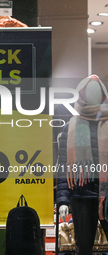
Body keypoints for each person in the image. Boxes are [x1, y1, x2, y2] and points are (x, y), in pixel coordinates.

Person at [56, 74, 108, 254]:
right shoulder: (71, 126)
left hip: (107, 194)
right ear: (82, 95)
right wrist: (62, 200)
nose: (93, 95)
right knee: (83, 248)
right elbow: (63, 165)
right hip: (81, 195)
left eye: (97, 91)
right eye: (89, 91)